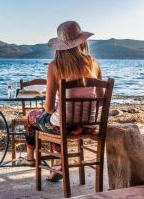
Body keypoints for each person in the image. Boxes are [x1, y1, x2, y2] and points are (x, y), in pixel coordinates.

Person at [17, 21, 103, 182]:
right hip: (89, 127)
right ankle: (58, 163)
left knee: (33, 117)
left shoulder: (55, 66)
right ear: (81, 41)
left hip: (64, 128)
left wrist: (53, 108)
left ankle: (30, 158)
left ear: (60, 45)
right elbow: (100, 99)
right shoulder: (94, 64)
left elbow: (48, 108)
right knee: (55, 120)